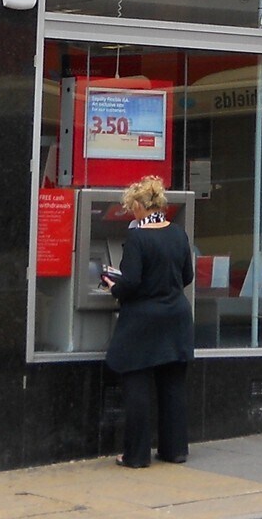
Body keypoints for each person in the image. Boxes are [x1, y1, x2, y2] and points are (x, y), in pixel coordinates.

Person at [103, 174, 195, 468]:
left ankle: (137, 455)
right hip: (177, 317)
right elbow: (187, 277)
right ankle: (175, 450)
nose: (132, 212)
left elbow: (130, 282)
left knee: (137, 386)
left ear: (141, 206)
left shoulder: (137, 237)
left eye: (133, 207)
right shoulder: (179, 234)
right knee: (172, 386)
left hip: (143, 321)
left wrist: (111, 286)